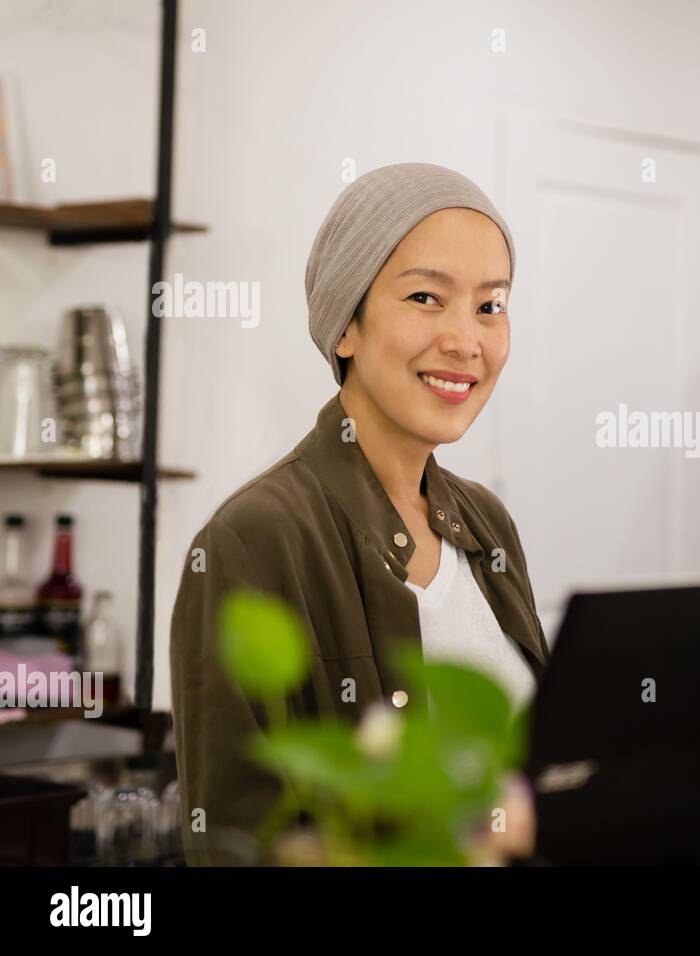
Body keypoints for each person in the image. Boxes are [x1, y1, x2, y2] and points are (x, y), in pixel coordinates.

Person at [169, 163, 548, 865]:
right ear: (346, 326)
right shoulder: (255, 539)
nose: (467, 340)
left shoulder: (487, 524)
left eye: (490, 306)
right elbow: (234, 840)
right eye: (427, 298)